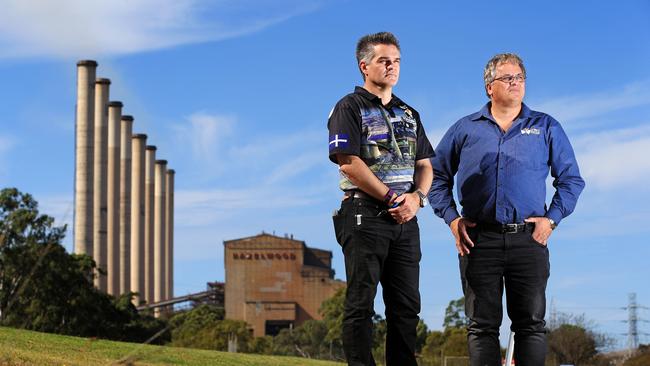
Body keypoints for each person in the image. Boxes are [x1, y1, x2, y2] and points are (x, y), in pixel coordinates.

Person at [429, 53, 585, 365]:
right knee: (482, 326)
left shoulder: (545, 126)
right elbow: (434, 176)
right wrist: (451, 219)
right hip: (477, 239)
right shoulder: (465, 129)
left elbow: (571, 180)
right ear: (489, 86)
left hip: (528, 240)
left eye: (519, 78)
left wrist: (551, 220)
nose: (515, 83)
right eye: (507, 78)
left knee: (530, 325)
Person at [328, 32, 434, 366]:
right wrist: (391, 196)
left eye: (396, 61)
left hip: (406, 220)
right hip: (364, 214)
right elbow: (349, 162)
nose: (392, 67)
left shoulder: (409, 113)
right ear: (364, 65)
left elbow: (425, 165)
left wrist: (417, 198)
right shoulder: (349, 106)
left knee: (406, 307)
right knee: (361, 303)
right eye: (383, 61)